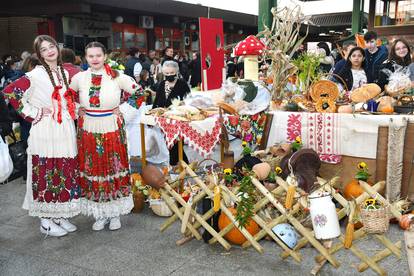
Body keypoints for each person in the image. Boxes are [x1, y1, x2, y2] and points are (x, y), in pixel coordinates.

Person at [3, 35, 80, 237]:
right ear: (39, 54)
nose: (49, 51)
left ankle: (58, 214)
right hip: (46, 129)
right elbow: (11, 92)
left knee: (62, 170)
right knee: (46, 172)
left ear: (57, 48)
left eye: (51, 46)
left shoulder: (63, 72)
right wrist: (34, 113)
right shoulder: (35, 74)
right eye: (44, 49)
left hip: (64, 128)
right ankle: (45, 221)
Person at [70, 41, 143, 231]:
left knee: (112, 166)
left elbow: (140, 94)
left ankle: (115, 213)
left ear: (105, 56)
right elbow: (66, 98)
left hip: (111, 126)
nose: (95, 59)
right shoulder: (79, 78)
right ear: (86, 57)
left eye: (98, 55)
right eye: (91, 56)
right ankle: (100, 213)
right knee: (94, 168)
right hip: (88, 129)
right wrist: (78, 109)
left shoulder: (118, 77)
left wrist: (124, 110)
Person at [153, 60, 190, 165]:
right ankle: (182, 166)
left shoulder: (182, 84)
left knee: (177, 145)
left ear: (176, 72)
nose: (169, 75)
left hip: (178, 120)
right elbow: (156, 102)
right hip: (164, 121)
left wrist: (181, 106)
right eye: (167, 73)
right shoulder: (161, 84)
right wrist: (153, 113)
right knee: (170, 146)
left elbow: (188, 101)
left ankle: (178, 166)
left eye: (171, 73)